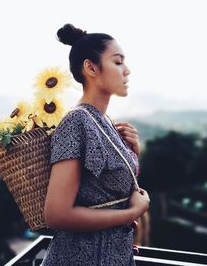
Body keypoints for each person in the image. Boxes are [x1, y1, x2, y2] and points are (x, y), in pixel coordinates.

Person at [41, 24, 150, 265]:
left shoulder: (107, 123)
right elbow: (57, 215)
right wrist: (131, 214)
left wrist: (133, 153)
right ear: (91, 67)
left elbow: (111, 191)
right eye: (118, 62)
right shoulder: (76, 121)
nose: (127, 71)